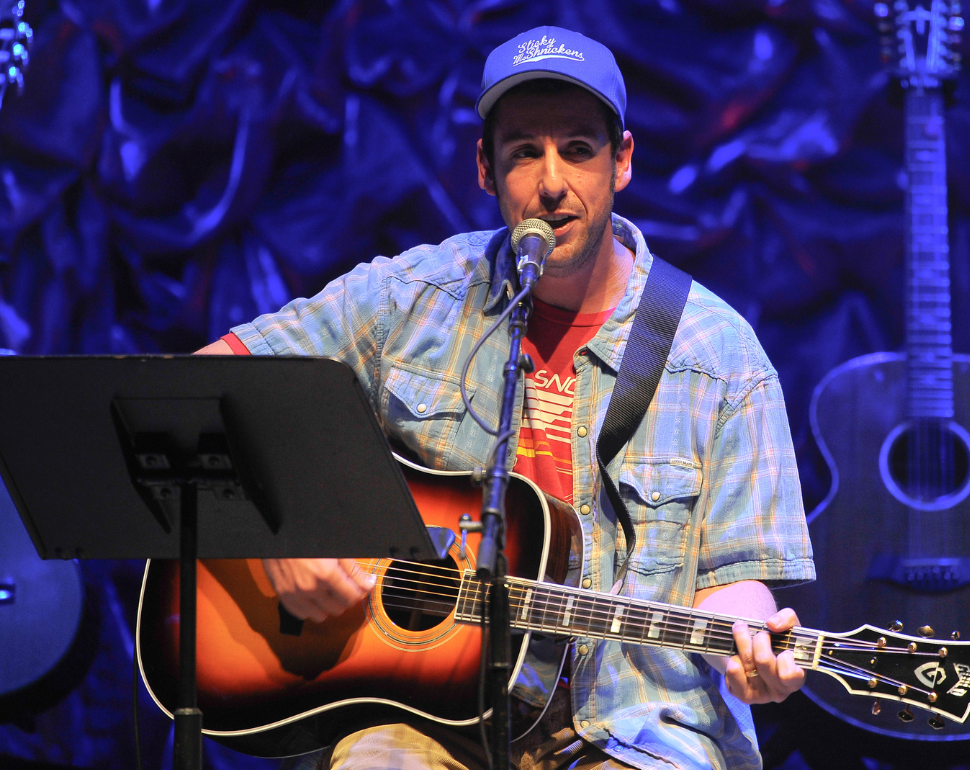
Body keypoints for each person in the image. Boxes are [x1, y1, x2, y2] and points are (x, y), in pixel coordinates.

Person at [198, 26, 815, 770]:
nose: (552, 182)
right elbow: (201, 386)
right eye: (524, 151)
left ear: (621, 162)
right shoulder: (412, 299)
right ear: (485, 169)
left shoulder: (720, 356)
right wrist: (277, 531)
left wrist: (748, 652)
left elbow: (732, 582)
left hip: (635, 727)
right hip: (421, 708)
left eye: (578, 150)